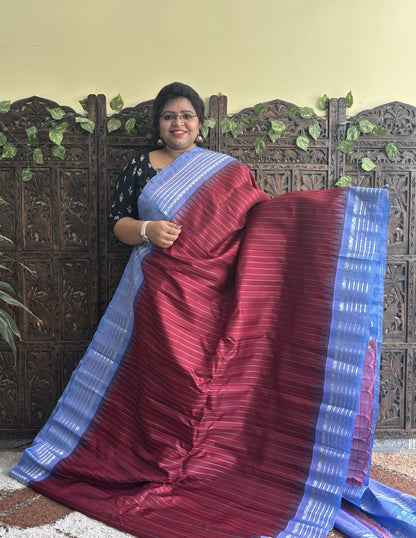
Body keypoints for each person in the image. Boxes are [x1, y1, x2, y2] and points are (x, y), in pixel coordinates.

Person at [10, 83, 415, 537]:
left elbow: (260, 223)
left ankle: (206, 457)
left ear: (200, 124)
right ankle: (153, 455)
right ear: (158, 125)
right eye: (168, 117)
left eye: (186, 115)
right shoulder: (140, 166)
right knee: (158, 381)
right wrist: (147, 227)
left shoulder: (225, 171)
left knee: (208, 380)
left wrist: (322, 219)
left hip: (213, 296)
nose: (177, 124)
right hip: (155, 295)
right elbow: (117, 224)